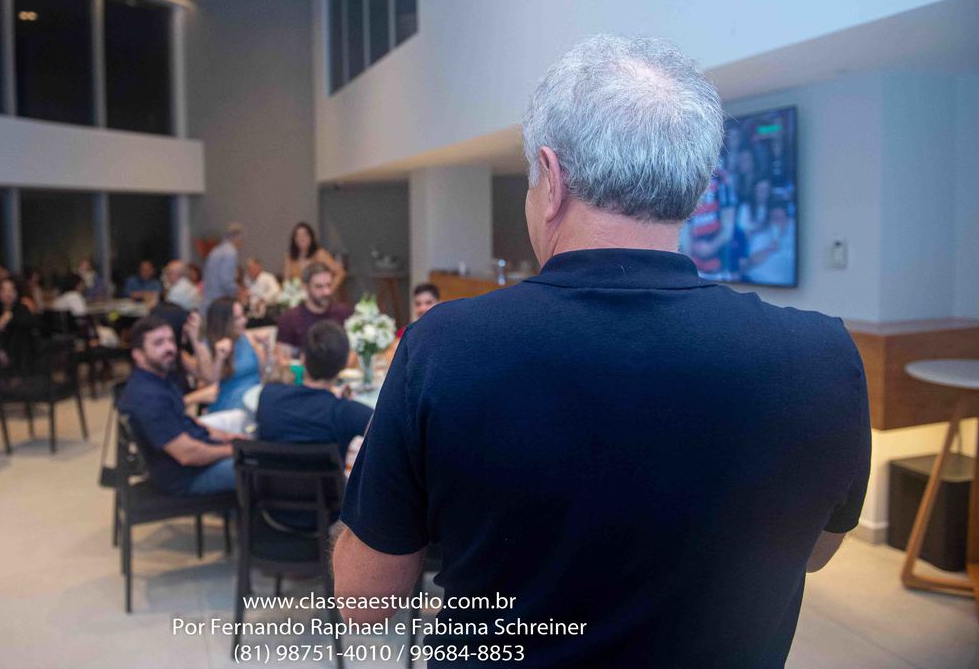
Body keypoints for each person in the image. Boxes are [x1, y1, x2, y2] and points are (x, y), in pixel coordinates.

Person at [332, 35, 871, 669]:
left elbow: (366, 601)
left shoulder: (444, 347)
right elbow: (807, 548)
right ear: (697, 191)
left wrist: (370, 483)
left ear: (551, 180)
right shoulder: (822, 360)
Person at [117, 315, 249, 496]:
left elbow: (187, 422)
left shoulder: (160, 379)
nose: (169, 348)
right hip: (186, 477)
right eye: (158, 343)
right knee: (261, 467)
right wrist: (233, 450)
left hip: (194, 461)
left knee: (252, 446)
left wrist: (227, 437)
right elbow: (187, 454)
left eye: (171, 340)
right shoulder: (148, 397)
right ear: (138, 355)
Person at [257, 321, 371, 460]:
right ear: (345, 364)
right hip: (327, 482)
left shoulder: (268, 396)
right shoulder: (351, 413)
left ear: (303, 358)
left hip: (270, 481)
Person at [190, 297, 266, 414]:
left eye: (243, 316)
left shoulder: (247, 337)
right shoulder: (207, 346)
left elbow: (263, 373)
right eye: (237, 318)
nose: (244, 321)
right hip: (231, 405)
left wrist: (265, 349)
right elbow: (211, 385)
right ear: (223, 322)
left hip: (256, 397)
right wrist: (220, 358)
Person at [274, 262, 351, 365]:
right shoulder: (290, 319)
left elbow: (354, 351)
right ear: (305, 287)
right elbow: (281, 359)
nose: (326, 292)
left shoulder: (343, 312)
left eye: (329, 285)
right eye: (319, 287)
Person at [0, 276, 38, 374]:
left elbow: (30, 324)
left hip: (20, 354)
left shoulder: (22, 309)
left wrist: (10, 318)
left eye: (12, 290)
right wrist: (0, 350)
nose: (8, 294)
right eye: (4, 291)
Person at [381, 282, 439, 366]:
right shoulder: (406, 332)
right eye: (418, 304)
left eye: (428, 302)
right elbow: (392, 360)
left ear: (439, 303)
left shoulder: (446, 332)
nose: (422, 308)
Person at [743, 201, 797, 285]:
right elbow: (751, 262)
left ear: (787, 220)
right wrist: (769, 249)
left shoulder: (793, 239)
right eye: (774, 218)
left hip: (786, 289)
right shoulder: (760, 237)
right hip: (755, 283)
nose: (777, 222)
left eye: (781, 219)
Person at [283, 222, 344, 294]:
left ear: (311, 237)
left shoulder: (319, 254)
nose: (301, 238)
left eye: (305, 235)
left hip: (318, 297)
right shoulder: (290, 256)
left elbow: (340, 273)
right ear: (294, 239)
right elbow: (286, 280)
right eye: (298, 235)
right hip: (297, 297)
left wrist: (329, 289)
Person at [202, 223, 243, 312]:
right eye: (241, 238)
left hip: (208, 301)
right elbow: (226, 281)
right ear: (236, 237)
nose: (241, 242)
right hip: (219, 304)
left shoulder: (216, 250)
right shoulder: (231, 252)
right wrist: (239, 293)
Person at [242, 256, 280, 326]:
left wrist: (262, 300)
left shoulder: (268, 277)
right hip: (251, 313)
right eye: (248, 268)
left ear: (259, 267)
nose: (250, 271)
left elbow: (276, 291)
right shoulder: (246, 279)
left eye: (252, 268)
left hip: (266, 313)